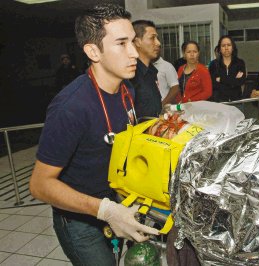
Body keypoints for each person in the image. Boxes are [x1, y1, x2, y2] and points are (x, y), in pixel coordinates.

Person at [29, 4, 159, 266]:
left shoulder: (127, 91)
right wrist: (104, 210)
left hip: (117, 207)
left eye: (133, 41)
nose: (134, 52)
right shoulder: (71, 107)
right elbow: (39, 185)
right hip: (81, 220)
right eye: (121, 44)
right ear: (92, 51)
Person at [131, 20, 162, 119]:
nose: (158, 43)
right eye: (152, 38)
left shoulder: (152, 71)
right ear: (137, 42)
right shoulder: (130, 75)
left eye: (157, 38)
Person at [208, 35, 246, 102]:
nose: (226, 48)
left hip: (236, 101)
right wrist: (232, 81)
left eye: (229, 45)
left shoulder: (240, 63)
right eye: (223, 46)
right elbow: (213, 84)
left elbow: (240, 81)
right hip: (219, 102)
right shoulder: (214, 64)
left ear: (233, 47)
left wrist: (221, 79)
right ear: (219, 49)